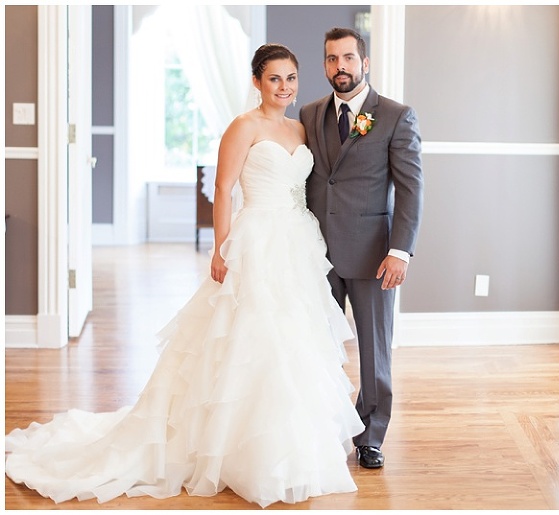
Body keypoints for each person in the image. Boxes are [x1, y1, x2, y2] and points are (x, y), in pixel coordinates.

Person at [5, 44, 365, 508]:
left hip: (298, 243)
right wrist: (221, 249)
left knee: (294, 343)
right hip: (256, 241)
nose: (285, 87)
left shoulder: (300, 128)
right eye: (275, 78)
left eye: (291, 77)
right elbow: (222, 188)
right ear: (257, 82)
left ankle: (287, 451)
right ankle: (232, 450)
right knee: (251, 340)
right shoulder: (243, 126)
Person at [299, 28, 424, 469]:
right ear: (325, 65)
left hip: (374, 255)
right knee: (317, 345)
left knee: (374, 351)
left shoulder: (394, 115)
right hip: (316, 255)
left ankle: (370, 436)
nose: (341, 67)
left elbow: (410, 190)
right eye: (332, 59)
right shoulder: (310, 113)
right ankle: (322, 426)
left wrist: (400, 251)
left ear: (364, 63)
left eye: (348, 58)